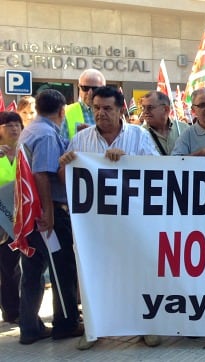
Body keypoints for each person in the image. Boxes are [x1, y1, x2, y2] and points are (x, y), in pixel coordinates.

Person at [58, 86, 159, 350]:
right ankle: (94, 329)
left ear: (120, 109)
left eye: (107, 108)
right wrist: (65, 165)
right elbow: (67, 181)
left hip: (133, 223)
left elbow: (156, 173)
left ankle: (144, 325)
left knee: (137, 273)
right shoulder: (81, 140)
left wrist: (128, 161)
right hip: (95, 226)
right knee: (94, 276)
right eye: (96, 108)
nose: (100, 114)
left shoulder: (138, 136)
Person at [17, 89, 83, 344]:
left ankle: (30, 326)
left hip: (31, 212)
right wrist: (49, 212)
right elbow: (42, 173)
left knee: (33, 269)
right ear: (62, 111)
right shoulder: (45, 134)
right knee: (62, 267)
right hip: (48, 211)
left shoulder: (31, 129)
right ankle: (66, 323)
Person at [0, 112, 23, 325]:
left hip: (20, 216)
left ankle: (14, 310)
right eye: (8, 125)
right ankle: (10, 309)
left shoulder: (25, 151)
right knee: (6, 267)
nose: (14, 129)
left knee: (14, 267)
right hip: (1, 219)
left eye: (17, 125)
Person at [140, 91, 189, 155]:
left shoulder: (184, 129)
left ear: (166, 109)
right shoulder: (140, 134)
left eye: (150, 107)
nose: (145, 112)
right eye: (143, 108)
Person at [63, 69, 106, 140]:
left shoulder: (112, 112)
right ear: (79, 87)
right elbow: (62, 145)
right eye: (85, 88)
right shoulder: (67, 112)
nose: (90, 93)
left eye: (95, 89)